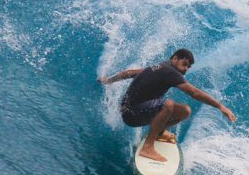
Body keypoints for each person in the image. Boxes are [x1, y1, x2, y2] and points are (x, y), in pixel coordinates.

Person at [99, 48, 236, 162]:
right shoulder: (170, 71)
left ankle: (158, 133)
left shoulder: (159, 66)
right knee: (168, 104)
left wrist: (108, 80)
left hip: (132, 110)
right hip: (132, 114)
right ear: (175, 58)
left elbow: (129, 73)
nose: (186, 69)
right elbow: (194, 93)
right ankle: (148, 147)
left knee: (185, 111)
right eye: (184, 63)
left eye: (189, 66)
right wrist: (220, 106)